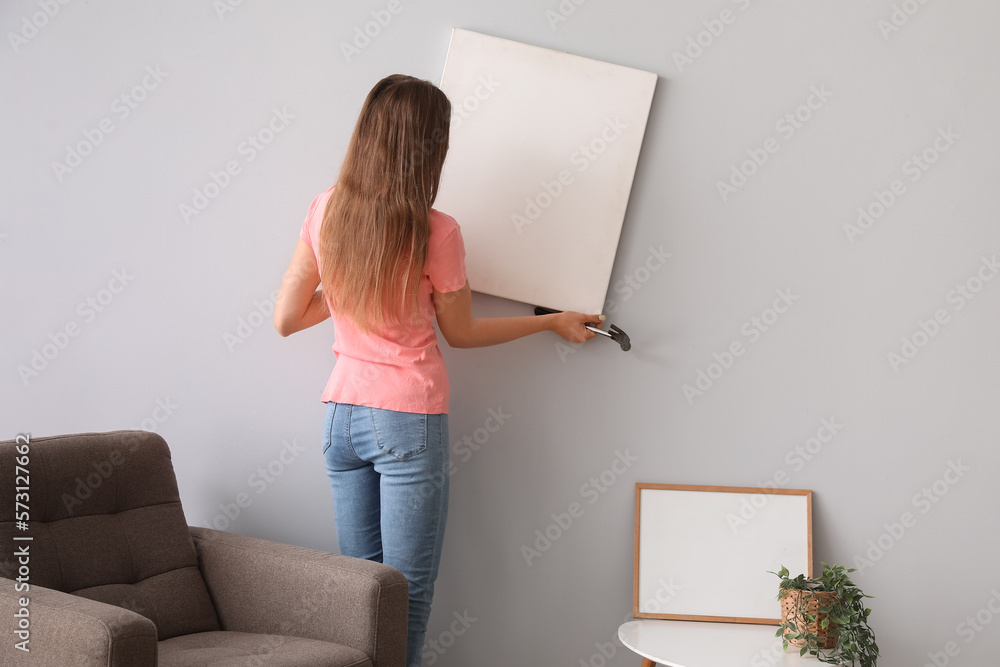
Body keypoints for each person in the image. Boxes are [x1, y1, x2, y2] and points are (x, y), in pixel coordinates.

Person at [273, 73, 603, 666]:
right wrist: (551, 322)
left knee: (360, 593)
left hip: (340, 419)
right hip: (406, 421)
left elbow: (286, 319)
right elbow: (462, 334)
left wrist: (350, 282)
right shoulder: (437, 231)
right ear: (429, 146)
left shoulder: (325, 209)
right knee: (406, 598)